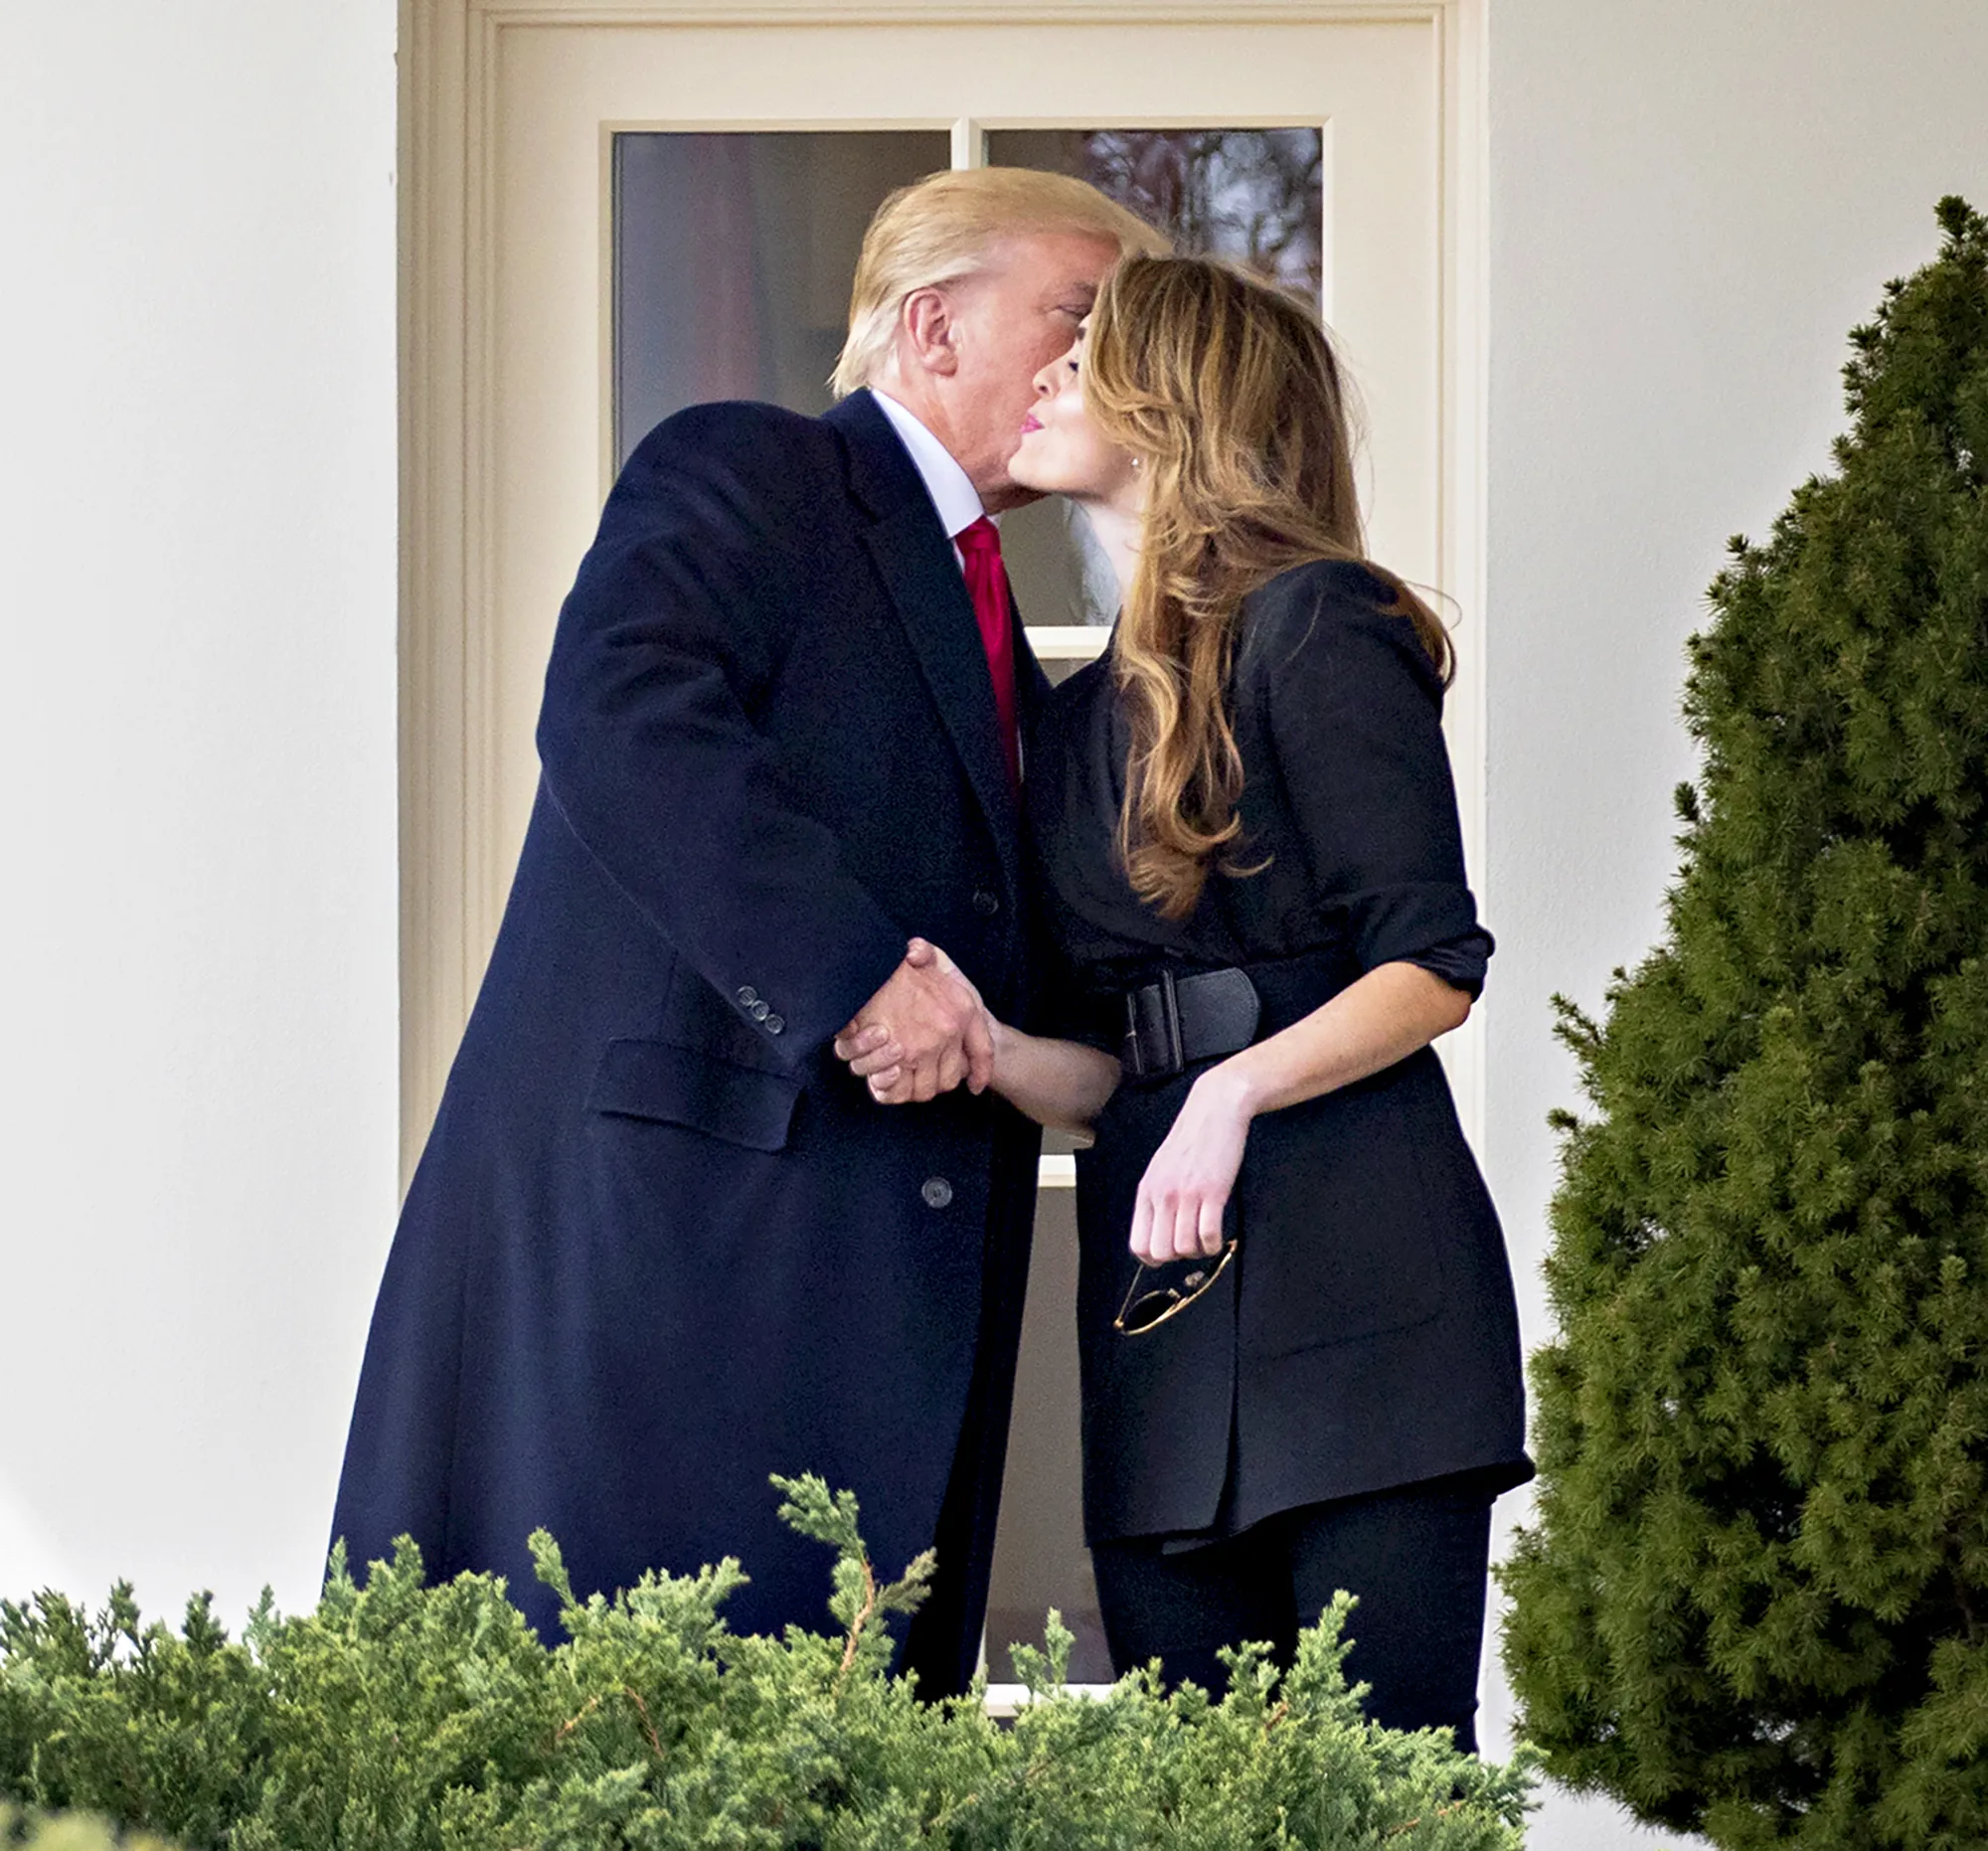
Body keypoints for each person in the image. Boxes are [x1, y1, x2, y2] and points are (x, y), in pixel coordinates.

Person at [330, 167, 1167, 1697]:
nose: (1099, 362)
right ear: (932, 326)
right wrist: (855, 979)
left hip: (867, 1317)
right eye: (1075, 316)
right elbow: (621, 712)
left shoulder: (1014, 614)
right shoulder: (750, 471)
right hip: (670, 1286)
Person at [840, 254, 1531, 1745]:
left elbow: (1430, 968)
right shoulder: (1079, 720)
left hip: (1367, 1313)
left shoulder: (1320, 624)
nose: (1041, 382)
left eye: (1079, 366)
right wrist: (988, 1043)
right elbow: (1102, 1071)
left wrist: (1230, 1091)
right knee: (1188, 1804)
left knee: (1385, 1804)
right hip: (1160, 1330)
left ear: (1173, 404)